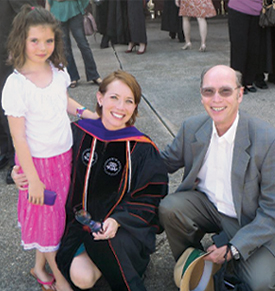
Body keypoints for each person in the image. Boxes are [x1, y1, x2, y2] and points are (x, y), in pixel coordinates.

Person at [1, 5, 97, 291]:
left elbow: (63, 101)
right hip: (37, 165)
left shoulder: (59, 70)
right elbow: (18, 138)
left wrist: (87, 114)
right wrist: (32, 179)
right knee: (52, 225)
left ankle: (39, 266)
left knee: (54, 219)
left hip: (63, 158)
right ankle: (61, 280)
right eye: (34, 41)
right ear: (21, 40)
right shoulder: (16, 85)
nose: (43, 47)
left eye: (49, 40)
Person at [159, 64, 275, 291]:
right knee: (170, 207)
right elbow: (160, 163)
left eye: (225, 91)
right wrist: (125, 141)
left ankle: (228, 259)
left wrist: (233, 249)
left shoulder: (266, 139)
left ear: (240, 94)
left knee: (261, 283)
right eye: (208, 91)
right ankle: (195, 264)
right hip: (207, 207)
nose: (216, 99)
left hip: (247, 220)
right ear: (201, 95)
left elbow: (272, 211)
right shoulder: (191, 127)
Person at [0, 0, 37, 184]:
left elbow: (28, 13)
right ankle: (5, 150)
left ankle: (17, 159)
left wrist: (19, 47)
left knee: (11, 108)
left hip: (7, 54)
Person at [45, 0, 102, 88]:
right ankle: (72, 76)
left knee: (83, 44)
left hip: (74, 11)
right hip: (57, 13)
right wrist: (46, 17)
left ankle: (94, 74)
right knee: (65, 47)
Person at [228, 0, 262, 94]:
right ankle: (237, 83)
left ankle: (249, 81)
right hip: (238, 9)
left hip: (256, 11)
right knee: (239, 48)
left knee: (253, 48)